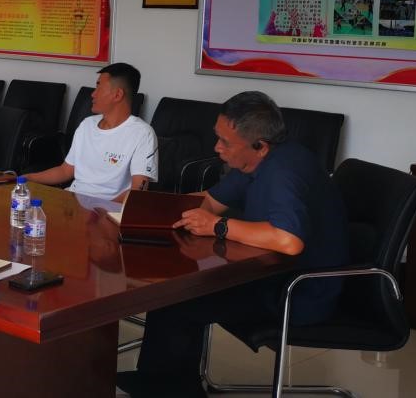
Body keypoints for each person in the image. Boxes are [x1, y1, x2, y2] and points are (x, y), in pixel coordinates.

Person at [116, 91, 349, 398]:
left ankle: (171, 389)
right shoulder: (256, 162)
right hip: (269, 274)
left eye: (225, 142)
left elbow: (288, 240)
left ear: (260, 146)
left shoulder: (283, 172)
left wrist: (219, 226)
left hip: (298, 292)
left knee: (178, 298)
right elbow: (209, 202)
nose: (217, 147)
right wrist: (141, 209)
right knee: (170, 289)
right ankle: (156, 381)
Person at [21, 63, 157, 202]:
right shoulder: (87, 125)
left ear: (117, 95)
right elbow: (65, 171)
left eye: (99, 87)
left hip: (107, 209)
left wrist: (101, 210)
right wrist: (27, 178)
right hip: (72, 202)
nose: (93, 94)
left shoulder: (142, 134)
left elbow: (138, 191)